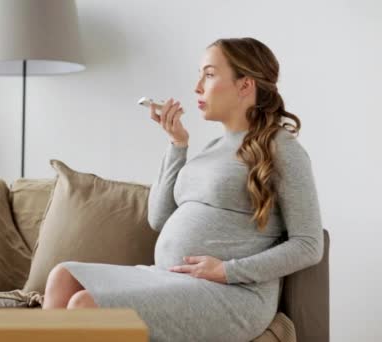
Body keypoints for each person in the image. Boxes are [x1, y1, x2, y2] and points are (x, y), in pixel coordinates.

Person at [41, 37, 324, 342]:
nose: (198, 86)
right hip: (170, 280)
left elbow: (308, 245)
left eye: (210, 74)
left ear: (245, 85)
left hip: (231, 293)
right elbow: (159, 218)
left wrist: (227, 271)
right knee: (64, 277)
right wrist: (177, 144)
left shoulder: (282, 149)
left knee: (86, 305)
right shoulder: (212, 148)